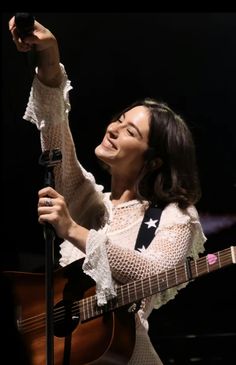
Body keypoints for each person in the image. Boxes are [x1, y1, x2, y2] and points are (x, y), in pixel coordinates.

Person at [9, 15, 206, 365]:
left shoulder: (175, 215)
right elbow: (54, 124)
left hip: (126, 355)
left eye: (131, 132)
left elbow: (155, 273)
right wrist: (50, 55)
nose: (114, 128)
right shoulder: (89, 200)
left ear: (155, 161)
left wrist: (72, 229)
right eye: (119, 119)